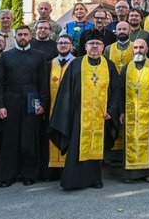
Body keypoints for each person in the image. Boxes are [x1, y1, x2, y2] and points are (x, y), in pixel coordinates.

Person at [49, 30, 118, 190]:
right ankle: (73, 181)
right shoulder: (76, 64)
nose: (94, 46)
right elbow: (65, 91)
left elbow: (116, 90)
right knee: (76, 146)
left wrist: (112, 110)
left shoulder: (109, 65)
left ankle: (94, 180)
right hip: (79, 115)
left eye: (98, 44)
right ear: (85, 46)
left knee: (96, 145)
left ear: (103, 47)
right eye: (91, 43)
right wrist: (68, 113)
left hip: (101, 115)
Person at [0, 25, 49, 187]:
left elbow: (43, 83)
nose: (23, 37)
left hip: (32, 99)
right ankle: (7, 176)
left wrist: (43, 104)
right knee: (9, 139)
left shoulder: (40, 57)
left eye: (25, 34)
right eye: (20, 34)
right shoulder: (6, 56)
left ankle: (29, 174)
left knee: (29, 138)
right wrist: (0, 105)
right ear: (15, 37)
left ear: (30, 36)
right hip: (10, 100)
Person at [117, 38, 149, 183]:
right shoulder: (126, 68)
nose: (138, 50)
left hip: (148, 113)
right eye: (135, 48)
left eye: (142, 47)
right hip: (130, 112)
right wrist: (121, 111)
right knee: (130, 140)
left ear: (147, 49)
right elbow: (120, 90)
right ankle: (129, 174)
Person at [46, 34, 75, 179]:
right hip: (51, 108)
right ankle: (53, 170)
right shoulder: (49, 64)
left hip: (70, 109)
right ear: (57, 46)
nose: (63, 45)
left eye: (66, 43)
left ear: (71, 46)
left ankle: (67, 169)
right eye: (60, 43)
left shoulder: (77, 63)